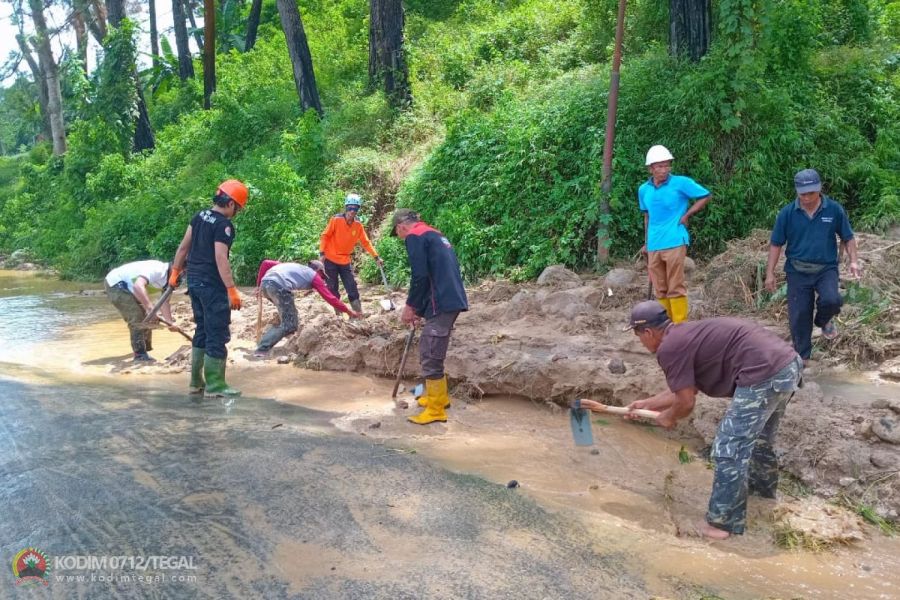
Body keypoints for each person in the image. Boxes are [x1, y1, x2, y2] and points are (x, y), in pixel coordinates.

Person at [624, 300, 802, 540]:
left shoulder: (669, 348)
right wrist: (647, 404)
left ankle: (722, 524)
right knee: (759, 440)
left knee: (728, 448)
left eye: (638, 337)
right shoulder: (683, 335)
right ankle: (761, 496)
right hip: (786, 365)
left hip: (763, 374)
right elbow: (686, 388)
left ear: (648, 332)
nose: (641, 343)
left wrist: (668, 417)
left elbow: (686, 402)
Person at [765, 168, 860, 362]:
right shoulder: (787, 213)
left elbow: (848, 237)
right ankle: (803, 360)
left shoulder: (833, 210)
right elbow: (776, 244)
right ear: (797, 192)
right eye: (803, 194)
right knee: (799, 317)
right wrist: (770, 274)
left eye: (811, 193)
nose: (807, 198)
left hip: (826, 268)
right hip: (797, 271)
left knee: (832, 300)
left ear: (819, 189)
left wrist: (854, 261)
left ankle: (823, 320)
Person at [168, 179, 248, 397]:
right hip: (212, 285)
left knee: (202, 329)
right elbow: (221, 257)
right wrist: (231, 289)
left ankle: (196, 383)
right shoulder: (224, 225)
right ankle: (216, 385)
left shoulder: (199, 216)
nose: (236, 213)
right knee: (217, 332)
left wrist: (175, 271)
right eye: (237, 208)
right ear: (231, 204)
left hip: (193, 282)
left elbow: (184, 247)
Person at [391, 208, 468, 425]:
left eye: (398, 233)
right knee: (432, 348)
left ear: (401, 227)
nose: (400, 237)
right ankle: (440, 398)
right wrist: (421, 309)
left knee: (430, 352)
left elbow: (421, 276)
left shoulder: (415, 237)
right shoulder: (435, 234)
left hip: (442, 301)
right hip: (448, 299)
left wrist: (410, 307)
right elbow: (435, 274)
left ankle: (435, 410)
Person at [638, 145, 711, 323]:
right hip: (655, 242)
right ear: (651, 168)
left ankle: (679, 326)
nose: (664, 170)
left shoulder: (681, 183)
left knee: (675, 285)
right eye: (659, 166)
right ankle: (665, 324)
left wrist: (687, 214)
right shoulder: (643, 190)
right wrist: (646, 242)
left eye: (666, 165)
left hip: (675, 239)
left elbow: (705, 195)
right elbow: (647, 216)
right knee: (660, 287)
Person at [253, 259, 360, 355]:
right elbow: (330, 298)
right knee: (290, 324)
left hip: (265, 285)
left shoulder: (294, 267)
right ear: (319, 271)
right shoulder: (314, 276)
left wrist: (258, 287)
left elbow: (265, 263)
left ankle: (278, 336)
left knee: (289, 314)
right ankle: (262, 348)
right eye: (323, 277)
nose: (322, 280)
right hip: (279, 287)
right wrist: (349, 311)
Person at [318, 193, 383, 316]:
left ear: (358, 210)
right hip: (330, 259)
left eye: (355, 208)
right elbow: (325, 236)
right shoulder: (336, 220)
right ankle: (339, 315)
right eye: (350, 208)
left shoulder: (358, 225)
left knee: (351, 286)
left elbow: (366, 242)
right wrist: (322, 253)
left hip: (345, 261)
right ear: (346, 207)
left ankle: (358, 313)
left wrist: (376, 257)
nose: (352, 211)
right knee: (332, 288)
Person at [104, 260, 177, 362]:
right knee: (136, 317)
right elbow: (138, 286)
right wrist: (150, 309)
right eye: (184, 272)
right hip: (116, 283)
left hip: (131, 288)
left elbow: (164, 302)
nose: (183, 276)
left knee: (147, 318)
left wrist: (170, 323)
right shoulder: (158, 269)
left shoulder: (173, 280)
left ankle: (144, 350)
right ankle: (140, 356)